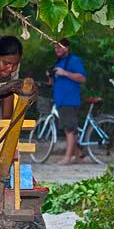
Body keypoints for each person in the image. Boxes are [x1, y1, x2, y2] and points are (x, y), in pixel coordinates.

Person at [47, 37, 87, 165]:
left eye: (59, 47)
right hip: (60, 101)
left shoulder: (74, 61)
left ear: (67, 48)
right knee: (68, 129)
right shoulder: (58, 63)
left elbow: (82, 78)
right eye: (55, 47)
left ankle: (67, 158)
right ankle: (78, 155)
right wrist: (50, 76)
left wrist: (65, 73)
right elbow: (53, 83)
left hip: (70, 100)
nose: (57, 49)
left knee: (69, 130)